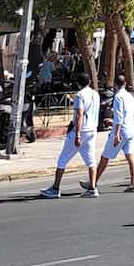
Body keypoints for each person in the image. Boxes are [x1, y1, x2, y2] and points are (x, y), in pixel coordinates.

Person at [40, 70, 100, 198]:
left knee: (62, 160)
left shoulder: (79, 95)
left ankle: (55, 188)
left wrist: (77, 134)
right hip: (92, 129)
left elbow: (79, 115)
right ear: (89, 82)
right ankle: (92, 188)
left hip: (81, 130)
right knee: (91, 160)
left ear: (78, 83)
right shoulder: (95, 94)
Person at [94, 75, 134, 192]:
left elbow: (119, 116)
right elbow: (127, 115)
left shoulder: (118, 97)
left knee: (105, 156)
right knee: (130, 156)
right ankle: (133, 182)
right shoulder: (130, 96)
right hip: (130, 129)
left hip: (121, 130)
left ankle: (93, 182)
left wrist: (116, 133)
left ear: (115, 84)